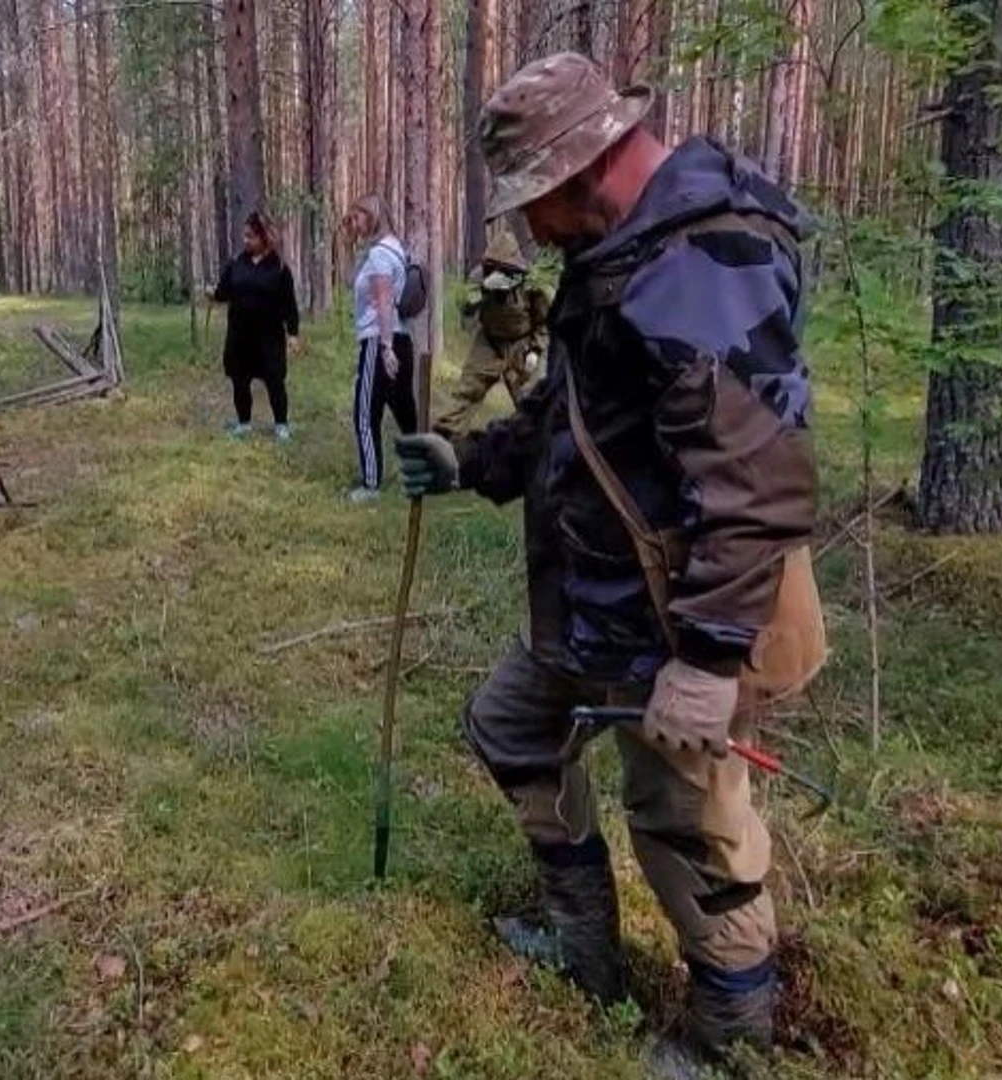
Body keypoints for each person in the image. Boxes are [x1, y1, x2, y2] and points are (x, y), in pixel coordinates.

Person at [393, 54, 817, 1069]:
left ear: (592, 164)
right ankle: (586, 945)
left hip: (672, 614)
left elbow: (755, 480)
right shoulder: (618, 255)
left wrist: (711, 662)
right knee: (509, 726)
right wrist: (470, 458)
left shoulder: (708, 257)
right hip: (589, 601)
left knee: (690, 830)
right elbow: (572, 420)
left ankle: (728, 1038)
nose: (530, 228)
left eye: (537, 198)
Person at [342, 195, 419, 503]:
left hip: (380, 339)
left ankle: (371, 484)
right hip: (399, 338)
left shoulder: (379, 255)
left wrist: (385, 348)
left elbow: (385, 300)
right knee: (404, 411)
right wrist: (348, 247)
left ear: (372, 217)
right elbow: (351, 282)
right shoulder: (390, 249)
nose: (354, 223)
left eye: (358, 217)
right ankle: (420, 470)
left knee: (365, 413)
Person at [434, 232, 549, 436]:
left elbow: (544, 321)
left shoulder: (531, 283)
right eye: (493, 265)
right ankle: (444, 439)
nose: (498, 270)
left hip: (521, 344)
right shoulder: (480, 277)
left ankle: (539, 447)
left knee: (532, 400)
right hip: (489, 342)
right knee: (466, 391)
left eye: (502, 266)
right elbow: (465, 308)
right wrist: (481, 292)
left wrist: (535, 349)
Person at [211, 211, 301, 441]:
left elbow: (289, 303)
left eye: (251, 236)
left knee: (274, 380)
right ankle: (244, 423)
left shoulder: (279, 268)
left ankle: (281, 424)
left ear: (264, 238)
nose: (246, 240)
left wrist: (293, 333)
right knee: (239, 378)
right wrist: (213, 293)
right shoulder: (237, 264)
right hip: (240, 333)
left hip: (269, 335)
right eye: (245, 235)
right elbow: (224, 291)